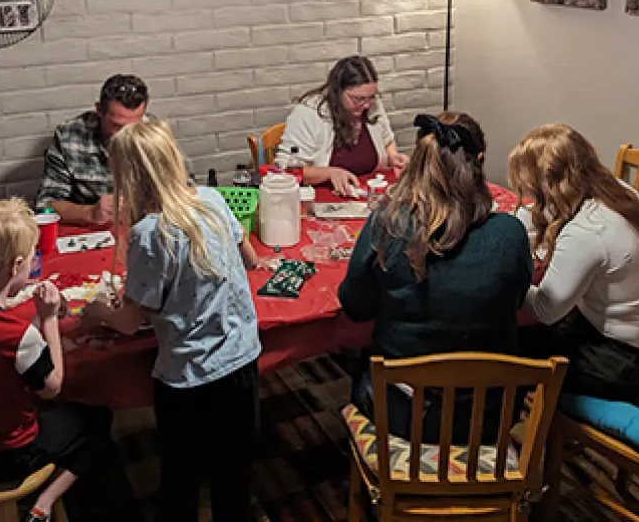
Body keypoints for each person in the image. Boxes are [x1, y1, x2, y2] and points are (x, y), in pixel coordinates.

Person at [83, 120, 261, 522]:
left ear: (127, 178)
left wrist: (97, 310)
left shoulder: (150, 233)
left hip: (190, 377)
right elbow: (248, 256)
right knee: (234, 479)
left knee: (180, 479)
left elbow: (129, 322)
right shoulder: (213, 199)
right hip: (241, 360)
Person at [338, 113, 532, 442]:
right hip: (487, 416)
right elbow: (514, 301)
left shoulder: (387, 224)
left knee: (361, 368)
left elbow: (355, 306)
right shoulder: (510, 233)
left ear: (419, 160)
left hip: (403, 413)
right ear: (479, 161)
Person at [0, 199, 112, 522]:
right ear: (16, 266)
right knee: (97, 420)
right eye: (34, 253)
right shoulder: (16, 336)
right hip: (9, 456)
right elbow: (53, 387)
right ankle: (41, 506)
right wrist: (48, 320)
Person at [509, 124, 639, 402]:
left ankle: (527, 433)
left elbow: (544, 310)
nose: (531, 199)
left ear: (553, 187)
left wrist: (510, 273)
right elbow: (543, 215)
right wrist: (516, 224)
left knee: (509, 348)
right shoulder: (617, 192)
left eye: (533, 192)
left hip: (622, 366)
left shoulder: (586, 232)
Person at [281, 55, 409, 196]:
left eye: (371, 97)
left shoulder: (372, 106)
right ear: (338, 92)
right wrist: (329, 173)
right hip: (320, 197)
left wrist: (392, 158)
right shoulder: (308, 114)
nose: (366, 105)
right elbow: (288, 169)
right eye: (358, 99)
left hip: (364, 194)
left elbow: (387, 141)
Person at [35, 74, 148, 226]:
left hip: (142, 226)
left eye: (134, 126)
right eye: (117, 126)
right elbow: (45, 206)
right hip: (90, 230)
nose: (125, 134)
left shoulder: (153, 135)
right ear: (99, 110)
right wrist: (91, 213)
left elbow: (186, 192)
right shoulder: (69, 136)